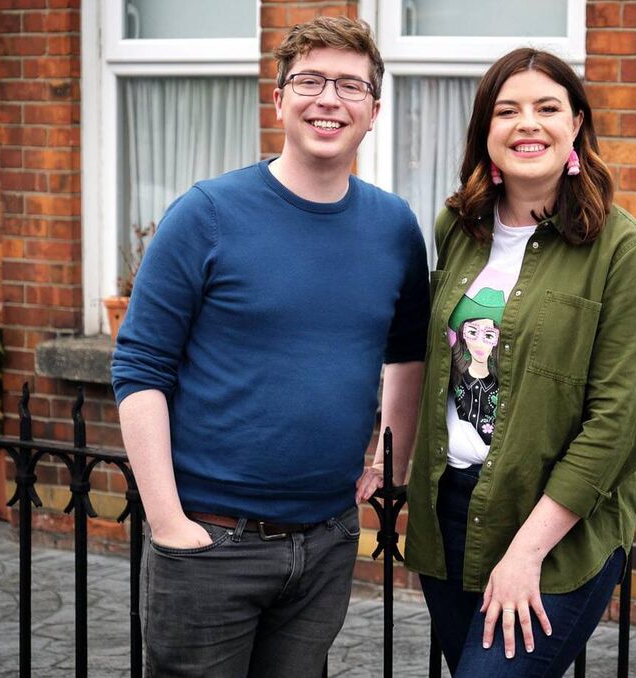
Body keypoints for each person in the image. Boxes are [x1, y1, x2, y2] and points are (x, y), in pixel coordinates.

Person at [111, 16, 428, 678]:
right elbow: (139, 369)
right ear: (278, 97)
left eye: (350, 85)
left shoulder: (393, 226)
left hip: (328, 541)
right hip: (211, 540)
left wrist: (390, 463)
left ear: (374, 108)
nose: (329, 99)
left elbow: (408, 352)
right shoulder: (206, 215)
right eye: (309, 80)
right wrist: (169, 523)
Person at [403, 47, 636, 677]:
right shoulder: (456, 226)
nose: (528, 124)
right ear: (485, 132)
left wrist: (525, 553)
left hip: (553, 530)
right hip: (451, 516)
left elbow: (618, 426)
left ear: (576, 124)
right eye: (507, 110)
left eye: (547, 107)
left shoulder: (626, 253)